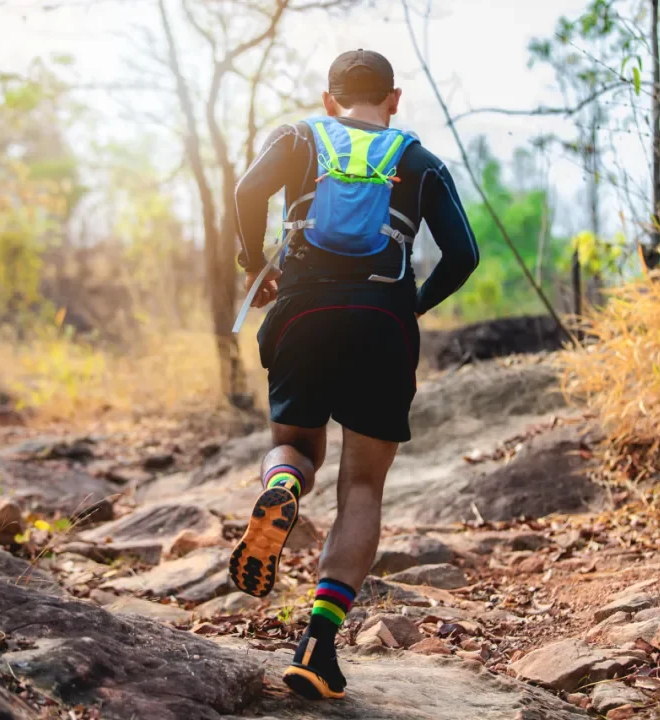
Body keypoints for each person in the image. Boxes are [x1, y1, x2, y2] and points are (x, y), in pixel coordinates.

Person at [229, 49, 479, 701]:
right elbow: (464, 255)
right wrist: (410, 305)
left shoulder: (298, 138)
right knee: (362, 487)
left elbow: (247, 191)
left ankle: (282, 484)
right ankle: (317, 644)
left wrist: (252, 258)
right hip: (383, 324)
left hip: (301, 309)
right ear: (393, 99)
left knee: (295, 444)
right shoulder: (419, 161)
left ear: (329, 98)